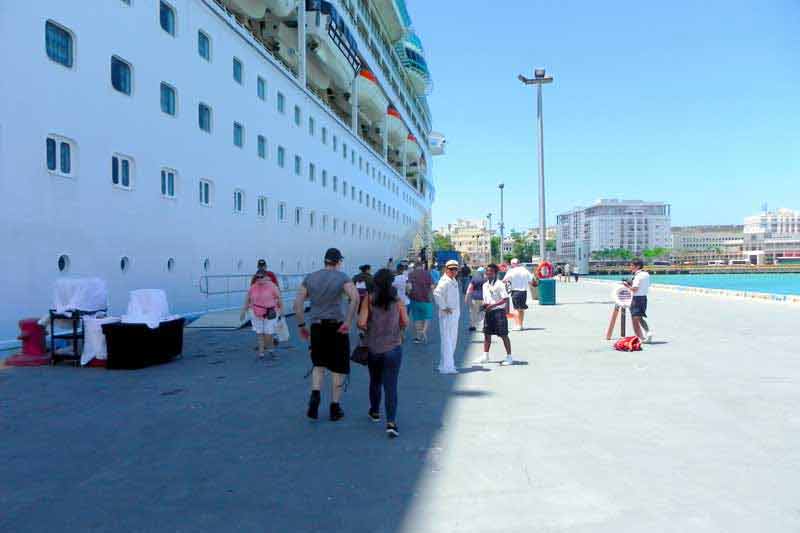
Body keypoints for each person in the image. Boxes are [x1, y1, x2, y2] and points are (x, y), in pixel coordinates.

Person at [293, 248, 360, 421]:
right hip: (337, 327)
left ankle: (315, 395)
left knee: (318, 364)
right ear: (338, 261)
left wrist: (301, 325)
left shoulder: (310, 277)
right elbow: (355, 297)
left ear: (325, 261)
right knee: (338, 368)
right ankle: (334, 408)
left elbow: (297, 303)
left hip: (316, 327)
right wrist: (348, 321)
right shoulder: (342, 277)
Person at [357, 268, 409, 438]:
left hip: (374, 348)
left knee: (375, 381)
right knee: (391, 386)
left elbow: (361, 323)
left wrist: (370, 328)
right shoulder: (397, 299)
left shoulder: (369, 299)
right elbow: (405, 321)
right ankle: (391, 423)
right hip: (394, 347)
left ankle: (374, 412)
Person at [239, 272, 282, 360]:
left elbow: (279, 298)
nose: (259, 279)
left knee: (268, 333)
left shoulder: (272, 286)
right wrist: (243, 311)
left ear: (265, 277)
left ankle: (271, 349)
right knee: (259, 333)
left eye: (261, 277)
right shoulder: (253, 287)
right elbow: (247, 299)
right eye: (257, 277)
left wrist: (281, 310)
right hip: (256, 313)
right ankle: (261, 352)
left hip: (270, 313)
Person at [479, 264, 514, 365]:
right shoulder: (484, 285)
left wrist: (493, 305)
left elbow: (505, 299)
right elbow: (486, 299)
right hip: (489, 312)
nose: (488, 273)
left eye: (491, 271)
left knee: (504, 334)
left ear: (495, 273)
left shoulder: (500, 284)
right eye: (487, 271)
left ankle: (509, 357)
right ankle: (485, 356)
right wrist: (485, 305)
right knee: (486, 334)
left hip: (499, 312)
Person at [432, 260, 461, 374]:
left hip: (454, 313)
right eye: (451, 269)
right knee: (448, 340)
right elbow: (436, 294)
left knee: (452, 339)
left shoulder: (452, 280)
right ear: (446, 269)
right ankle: (447, 367)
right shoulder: (444, 281)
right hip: (448, 314)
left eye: (455, 269)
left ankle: (446, 364)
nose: (453, 271)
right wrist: (444, 307)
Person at [624, 258, 653, 343]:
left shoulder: (637, 276)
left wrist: (627, 286)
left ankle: (641, 338)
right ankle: (648, 332)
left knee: (635, 320)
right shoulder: (646, 274)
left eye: (632, 265)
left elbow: (635, 289)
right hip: (644, 298)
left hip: (636, 299)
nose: (630, 267)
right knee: (640, 318)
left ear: (638, 266)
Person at [504, 258, 537, 331]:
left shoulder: (511, 271)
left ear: (513, 264)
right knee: (521, 309)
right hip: (524, 292)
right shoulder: (525, 270)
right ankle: (521, 324)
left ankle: (517, 325)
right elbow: (532, 281)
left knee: (516, 309)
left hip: (515, 291)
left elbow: (504, 280)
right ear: (519, 263)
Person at [407, 263, 434, 343]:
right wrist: (432, 297)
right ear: (422, 266)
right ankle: (424, 331)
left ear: (415, 267)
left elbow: (409, 287)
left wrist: (409, 294)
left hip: (414, 299)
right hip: (426, 300)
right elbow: (432, 287)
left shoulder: (411, 274)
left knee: (417, 317)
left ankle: (418, 337)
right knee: (427, 316)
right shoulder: (427, 274)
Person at [465, 267, 485, 332]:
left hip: (475, 298)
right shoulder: (486, 279)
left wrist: (466, 297)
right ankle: (483, 327)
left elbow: (469, 288)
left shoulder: (474, 279)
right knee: (482, 313)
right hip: (483, 298)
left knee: (473, 312)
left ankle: (472, 326)